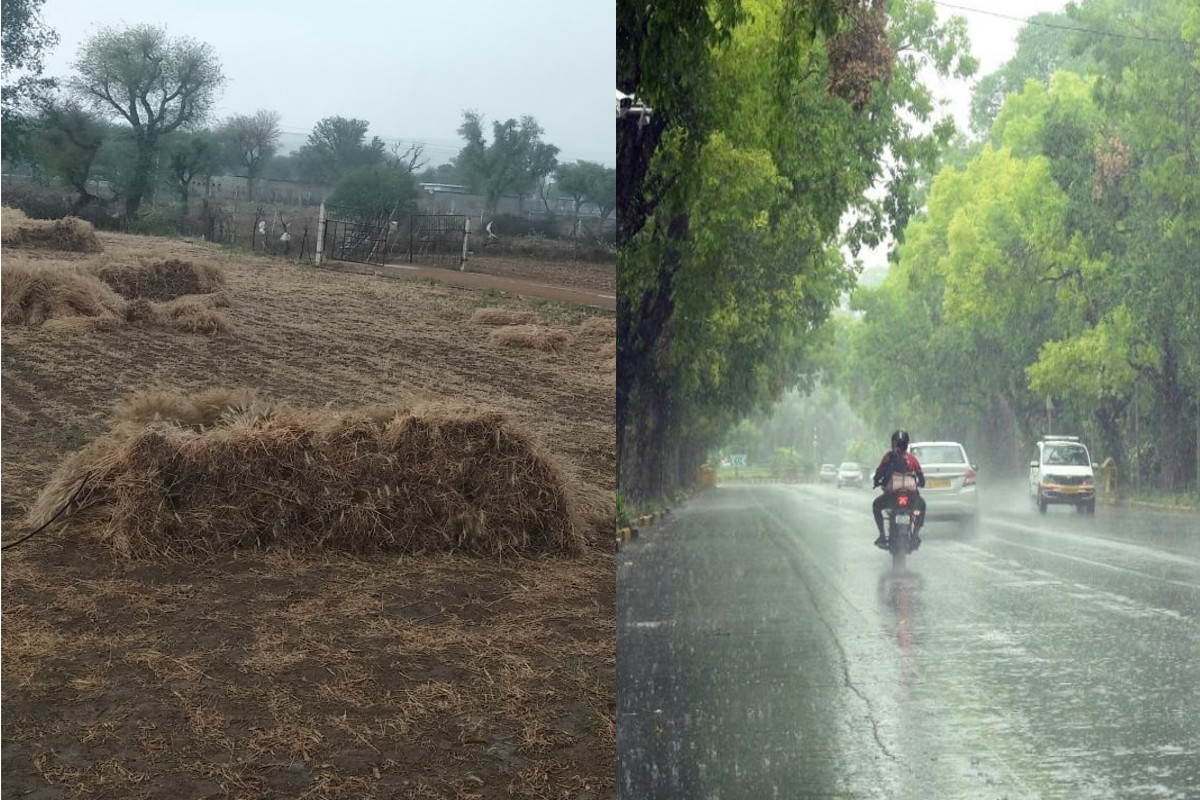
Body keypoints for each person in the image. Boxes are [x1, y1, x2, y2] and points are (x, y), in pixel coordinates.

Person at [871, 429, 927, 549]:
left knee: (876, 505)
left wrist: (876, 482)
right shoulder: (912, 459)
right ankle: (915, 535)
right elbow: (921, 477)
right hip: (912, 497)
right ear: (907, 444)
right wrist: (921, 483)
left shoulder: (888, 457)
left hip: (891, 496)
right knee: (921, 506)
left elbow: (879, 472)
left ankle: (882, 535)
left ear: (893, 443)